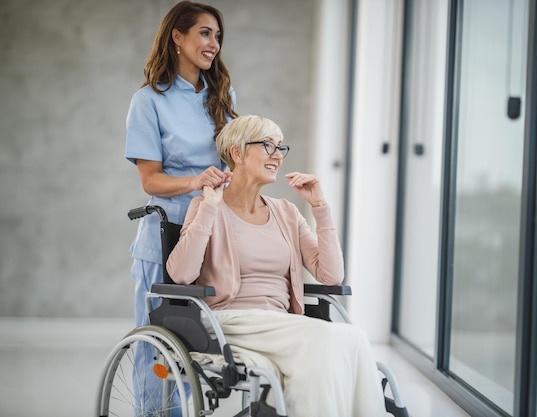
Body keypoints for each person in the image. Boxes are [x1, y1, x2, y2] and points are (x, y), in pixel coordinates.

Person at [166, 115, 387, 417]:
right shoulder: (207, 206)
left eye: (281, 148)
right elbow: (181, 273)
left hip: (281, 323)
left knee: (353, 339)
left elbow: (331, 274)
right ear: (237, 153)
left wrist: (320, 208)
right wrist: (208, 208)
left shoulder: (287, 212)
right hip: (230, 321)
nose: (277, 155)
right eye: (268, 145)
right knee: (326, 338)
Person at [124, 1, 236, 414]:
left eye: (218, 36)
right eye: (205, 33)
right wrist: (196, 180)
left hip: (208, 233)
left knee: (200, 347)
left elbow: (232, 167)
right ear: (178, 36)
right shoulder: (148, 101)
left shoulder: (221, 96)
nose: (214, 44)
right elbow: (150, 179)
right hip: (165, 233)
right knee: (158, 348)